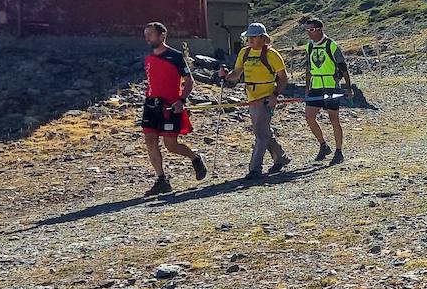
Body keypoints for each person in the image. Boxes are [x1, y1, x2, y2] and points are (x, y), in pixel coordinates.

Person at [219, 22, 292, 181]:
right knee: (263, 131)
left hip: (266, 98)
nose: (249, 40)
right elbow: (237, 74)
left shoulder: (271, 54)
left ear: (262, 37)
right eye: (248, 37)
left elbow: (283, 78)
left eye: (253, 37)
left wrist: (275, 95)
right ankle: (280, 157)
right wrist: (225, 76)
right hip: (252, 98)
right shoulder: (244, 53)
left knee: (260, 134)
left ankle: (255, 169)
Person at [140, 22, 207, 196]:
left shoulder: (175, 56)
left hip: (170, 106)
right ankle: (162, 179)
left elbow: (189, 80)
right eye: (146, 34)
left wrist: (181, 100)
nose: (147, 38)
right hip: (151, 104)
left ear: (162, 36)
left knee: (171, 145)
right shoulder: (147, 56)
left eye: (151, 34)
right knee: (150, 140)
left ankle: (195, 158)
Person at [302, 17, 351, 164]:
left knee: (333, 119)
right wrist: (307, 88)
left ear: (319, 30)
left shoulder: (331, 45)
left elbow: (343, 67)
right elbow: (309, 68)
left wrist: (348, 87)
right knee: (309, 117)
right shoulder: (309, 47)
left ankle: (338, 151)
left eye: (311, 30)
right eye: (307, 30)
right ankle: (323, 145)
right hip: (316, 86)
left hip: (331, 85)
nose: (309, 33)